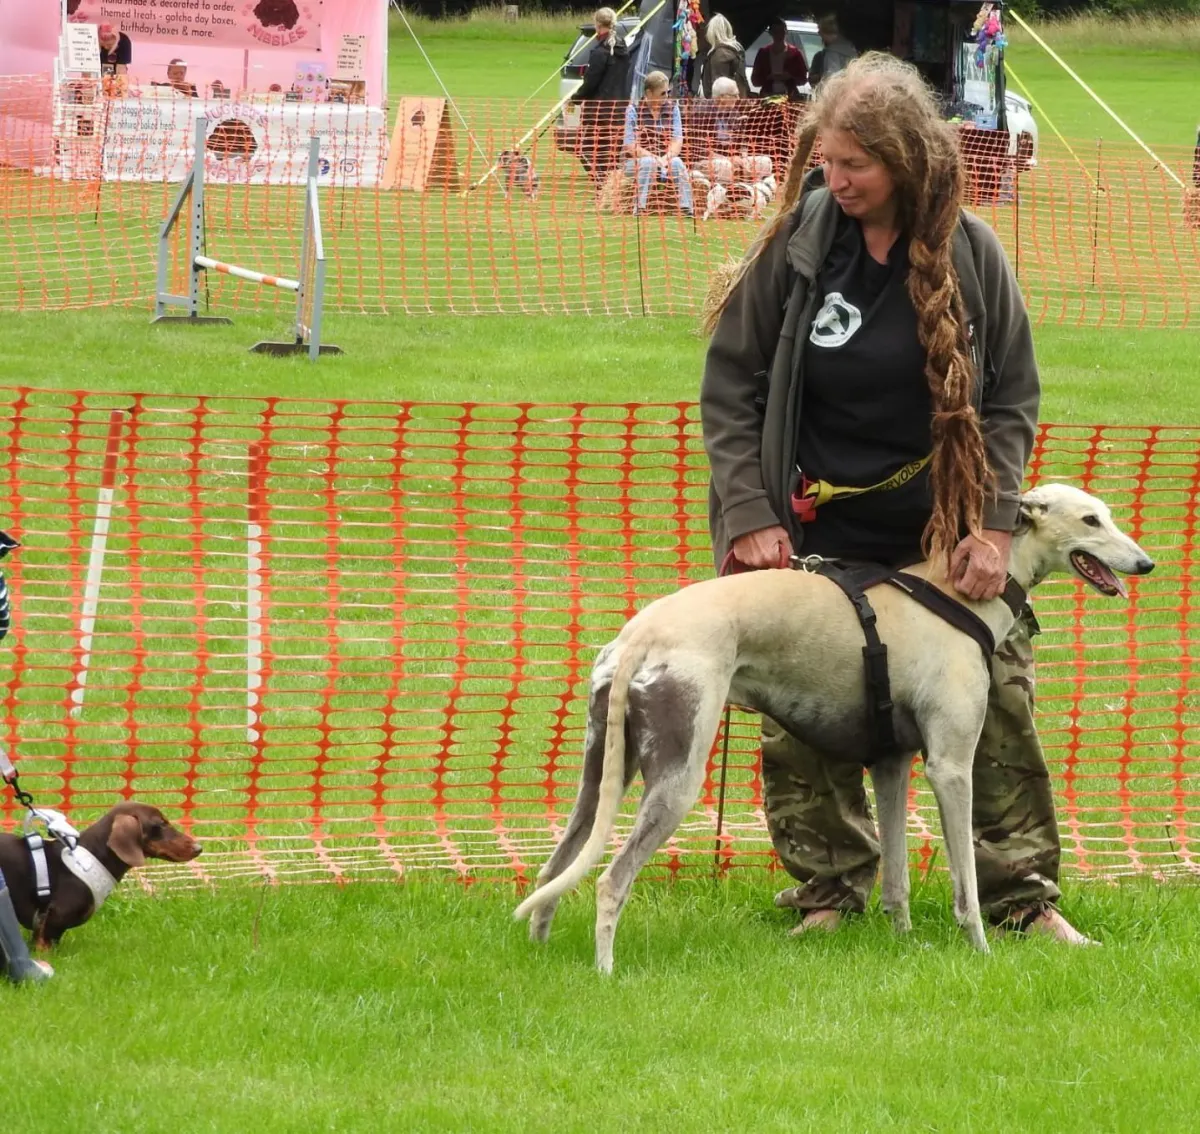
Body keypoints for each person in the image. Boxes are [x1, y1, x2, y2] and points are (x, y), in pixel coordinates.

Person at [700, 53, 1093, 945]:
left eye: (855, 166)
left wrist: (994, 529)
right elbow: (731, 382)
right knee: (803, 711)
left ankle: (1021, 899)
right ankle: (830, 895)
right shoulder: (801, 245)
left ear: (907, 161)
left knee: (996, 700)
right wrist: (750, 515)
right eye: (825, 162)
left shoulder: (971, 251)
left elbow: (1010, 399)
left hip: (943, 536)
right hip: (818, 527)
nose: (834, 181)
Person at [570, 7, 633, 183]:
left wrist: (576, 98)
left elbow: (591, 82)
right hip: (619, 109)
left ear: (597, 24)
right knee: (610, 153)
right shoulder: (623, 48)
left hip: (599, 111)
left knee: (586, 149)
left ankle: (602, 187)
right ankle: (609, 189)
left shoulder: (600, 51)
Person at [622, 71, 694, 216]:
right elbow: (630, 145)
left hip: (665, 160)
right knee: (648, 162)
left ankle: (687, 208)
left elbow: (677, 140)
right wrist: (656, 159)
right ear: (648, 93)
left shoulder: (673, 109)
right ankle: (640, 207)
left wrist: (665, 159)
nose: (667, 96)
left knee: (678, 163)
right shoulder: (633, 110)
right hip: (636, 162)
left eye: (668, 92)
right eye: (662, 93)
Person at [750, 17, 807, 100]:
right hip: (768, 96)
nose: (779, 35)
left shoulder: (795, 53)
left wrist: (790, 76)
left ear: (786, 32)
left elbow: (803, 79)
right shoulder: (763, 53)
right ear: (771, 33)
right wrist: (768, 77)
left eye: (781, 31)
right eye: (775, 32)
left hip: (789, 97)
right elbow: (755, 80)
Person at [699, 14, 750, 99]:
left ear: (712, 33)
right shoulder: (736, 50)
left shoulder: (720, 54)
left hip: (723, 104)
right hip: (737, 101)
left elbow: (719, 89)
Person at [808, 14, 858, 88]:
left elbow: (831, 78)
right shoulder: (852, 49)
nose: (819, 34)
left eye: (821, 32)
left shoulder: (832, 53)